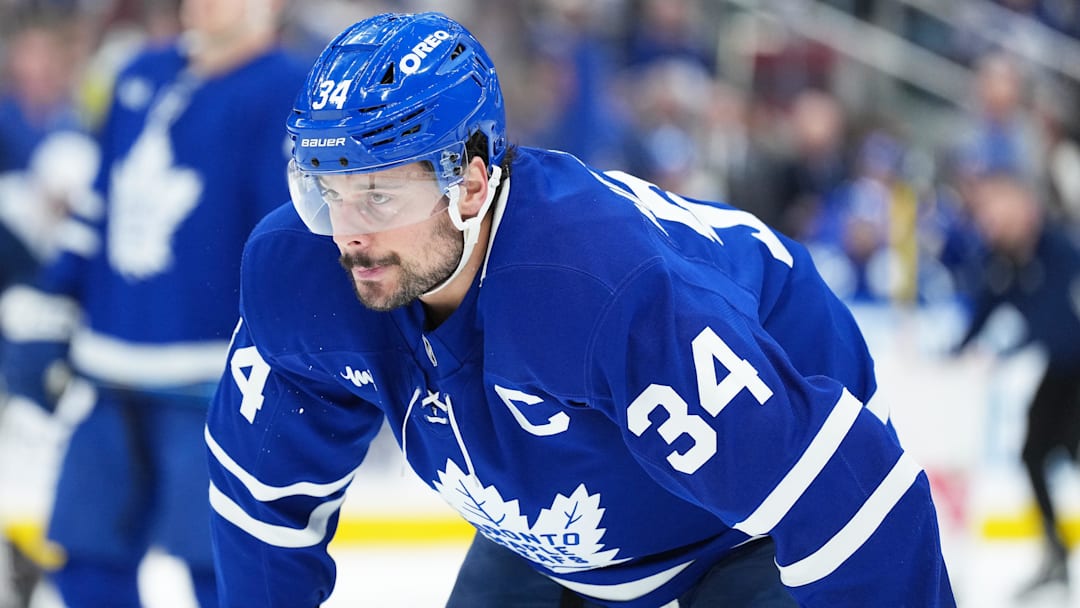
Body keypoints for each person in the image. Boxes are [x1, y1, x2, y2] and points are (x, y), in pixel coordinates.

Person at [205, 12, 955, 608]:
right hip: (559, 529)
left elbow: (851, 502)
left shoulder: (601, 290)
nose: (349, 233)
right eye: (326, 191)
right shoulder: (300, 272)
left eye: (379, 193)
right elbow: (262, 510)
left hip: (744, 528)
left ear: (470, 183)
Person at [0, 0, 308, 606]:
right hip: (109, 369)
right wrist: (53, 300)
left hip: (214, 381)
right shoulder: (140, 72)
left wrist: (281, 357)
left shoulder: (289, 90)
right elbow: (100, 206)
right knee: (87, 561)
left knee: (220, 567)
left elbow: (287, 238)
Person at [951, 170, 1080, 598]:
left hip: (1073, 362)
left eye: (996, 205)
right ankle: (1056, 554)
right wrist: (957, 351)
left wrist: (1002, 352)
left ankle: (1057, 555)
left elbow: (1056, 321)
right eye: (984, 208)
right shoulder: (1003, 256)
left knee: (1058, 447)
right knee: (1036, 451)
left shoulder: (1058, 248)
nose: (989, 217)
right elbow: (988, 306)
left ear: (1023, 204)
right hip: (1062, 369)